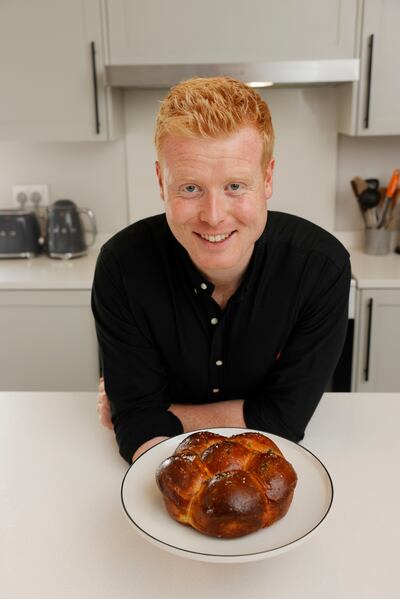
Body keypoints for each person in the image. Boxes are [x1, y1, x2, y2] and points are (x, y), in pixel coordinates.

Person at [91, 76, 351, 464]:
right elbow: (138, 429)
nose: (213, 217)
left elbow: (284, 419)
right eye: (191, 188)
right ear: (162, 182)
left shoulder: (321, 269)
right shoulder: (122, 268)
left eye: (234, 186)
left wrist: (158, 413)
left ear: (267, 179)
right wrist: (140, 417)